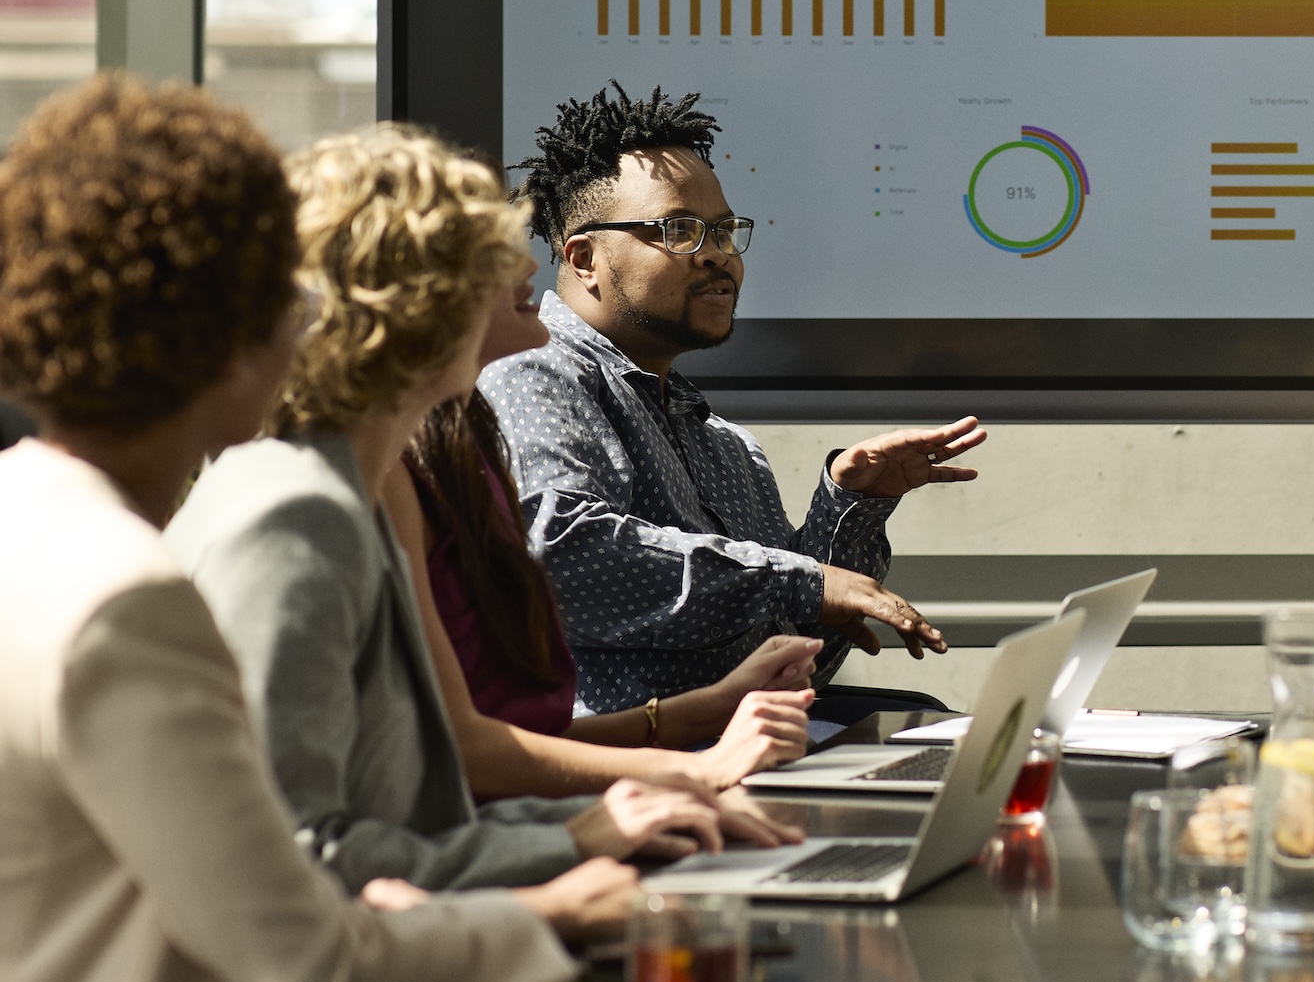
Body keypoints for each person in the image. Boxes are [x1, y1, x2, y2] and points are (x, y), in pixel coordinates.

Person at [0, 78, 635, 982]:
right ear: (222, 336)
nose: (305, 324)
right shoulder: (130, 599)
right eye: (280, 298)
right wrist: (547, 911)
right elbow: (311, 962)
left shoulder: (31, 521)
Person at [169, 123, 797, 894]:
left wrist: (660, 778)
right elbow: (296, 865)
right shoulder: (298, 515)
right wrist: (591, 841)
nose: (527, 262)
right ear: (407, 296)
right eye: (482, 247)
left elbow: (430, 790)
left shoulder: (367, 479)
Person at [482, 81, 985, 713]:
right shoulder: (533, 368)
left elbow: (795, 666)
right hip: (630, 780)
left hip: (745, 755)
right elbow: (559, 556)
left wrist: (851, 506)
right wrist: (802, 584)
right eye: (681, 230)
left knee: (928, 723)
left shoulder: (726, 448)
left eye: (724, 232)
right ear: (584, 258)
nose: (718, 256)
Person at [383, 259, 824, 798]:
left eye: (726, 231)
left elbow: (499, 740)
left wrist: (706, 710)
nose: (525, 260)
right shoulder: (396, 466)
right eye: (483, 245)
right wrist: (695, 770)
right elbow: (459, 759)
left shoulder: (450, 436)